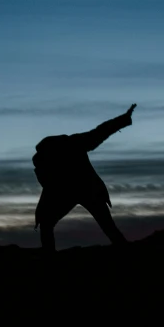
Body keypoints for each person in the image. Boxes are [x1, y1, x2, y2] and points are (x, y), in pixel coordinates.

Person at [33, 104, 136, 251]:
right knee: (47, 224)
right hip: (71, 191)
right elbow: (49, 186)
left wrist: (123, 119)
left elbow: (99, 133)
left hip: (87, 189)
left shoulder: (71, 144)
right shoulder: (45, 158)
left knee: (107, 225)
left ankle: (123, 247)